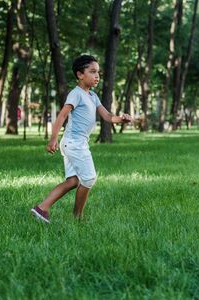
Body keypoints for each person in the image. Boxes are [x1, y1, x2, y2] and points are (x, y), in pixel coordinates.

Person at [31, 55, 131, 223]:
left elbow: (106, 115)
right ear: (80, 75)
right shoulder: (76, 94)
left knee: (73, 181)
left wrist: (121, 119)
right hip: (73, 143)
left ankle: (41, 208)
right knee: (89, 178)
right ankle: (78, 217)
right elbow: (62, 116)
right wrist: (52, 139)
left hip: (77, 143)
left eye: (98, 72)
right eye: (92, 72)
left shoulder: (92, 96)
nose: (97, 76)